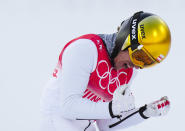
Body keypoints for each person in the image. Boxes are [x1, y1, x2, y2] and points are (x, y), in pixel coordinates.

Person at [40, 11, 171, 131]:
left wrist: (145, 112)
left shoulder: (128, 72)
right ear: (127, 39)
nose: (137, 66)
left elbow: (106, 124)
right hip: (56, 123)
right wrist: (113, 108)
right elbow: (68, 107)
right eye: (139, 57)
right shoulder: (85, 49)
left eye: (147, 63)